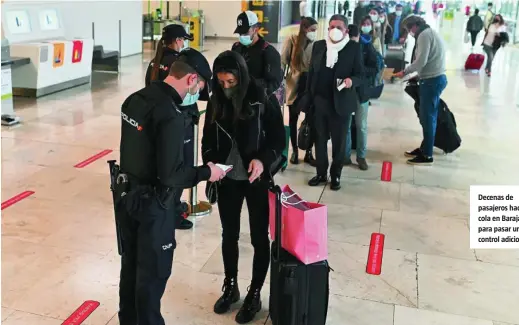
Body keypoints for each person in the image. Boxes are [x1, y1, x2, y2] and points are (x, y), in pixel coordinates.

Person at [118, 48, 227, 325]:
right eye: (200, 87)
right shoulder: (170, 115)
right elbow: (171, 175)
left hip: (127, 197)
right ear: (191, 79)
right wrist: (207, 172)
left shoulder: (136, 100)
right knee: (153, 275)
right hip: (155, 206)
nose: (197, 95)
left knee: (130, 267)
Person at [201, 50, 285, 324]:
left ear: (241, 77)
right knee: (229, 234)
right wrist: (211, 165)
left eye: (231, 82)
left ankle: (255, 292)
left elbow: (277, 140)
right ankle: (231, 285)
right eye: (221, 82)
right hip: (227, 180)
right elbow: (206, 142)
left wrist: (263, 161)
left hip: (255, 179)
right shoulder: (215, 101)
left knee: (260, 238)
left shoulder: (261, 97)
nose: (226, 88)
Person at [144, 24, 204, 231]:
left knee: (163, 164)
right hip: (179, 124)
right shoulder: (178, 64)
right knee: (178, 167)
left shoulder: (155, 62)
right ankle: (175, 213)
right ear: (178, 40)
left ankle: (165, 205)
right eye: (183, 40)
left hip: (158, 122)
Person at [305, 14, 365, 190]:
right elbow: (311, 74)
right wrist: (309, 97)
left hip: (341, 104)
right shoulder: (319, 46)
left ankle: (336, 175)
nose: (334, 30)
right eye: (332, 27)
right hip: (320, 102)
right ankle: (321, 173)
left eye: (339, 27)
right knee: (320, 140)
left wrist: (351, 81)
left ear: (346, 30)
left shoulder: (353, 48)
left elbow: (361, 75)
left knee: (339, 143)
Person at [394, 15, 447, 166]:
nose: (409, 32)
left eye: (409, 29)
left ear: (415, 26)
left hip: (432, 81)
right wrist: (418, 76)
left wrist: (405, 72)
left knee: (428, 118)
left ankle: (427, 155)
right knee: (426, 117)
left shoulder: (424, 35)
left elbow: (421, 61)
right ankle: (425, 147)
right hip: (432, 78)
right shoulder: (429, 32)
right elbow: (430, 60)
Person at [281, 16, 318, 166]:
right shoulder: (292, 40)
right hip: (294, 83)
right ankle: (295, 151)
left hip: (311, 85)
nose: (314, 33)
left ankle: (308, 151)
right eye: (312, 30)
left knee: (311, 120)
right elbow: (282, 61)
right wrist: (279, 81)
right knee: (293, 119)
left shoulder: (317, 44)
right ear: (304, 29)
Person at [345, 20, 379, 171]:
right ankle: (345, 156)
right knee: (345, 125)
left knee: (361, 126)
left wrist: (359, 72)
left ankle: (361, 156)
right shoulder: (342, 48)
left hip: (361, 93)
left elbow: (375, 68)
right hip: (345, 92)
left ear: (358, 36)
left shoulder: (366, 47)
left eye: (354, 38)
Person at [231, 11, 283, 106]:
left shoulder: (268, 52)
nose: (242, 36)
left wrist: (258, 94)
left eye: (245, 32)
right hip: (238, 99)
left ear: (256, 29)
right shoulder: (236, 48)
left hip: (259, 102)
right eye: (240, 33)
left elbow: (274, 82)